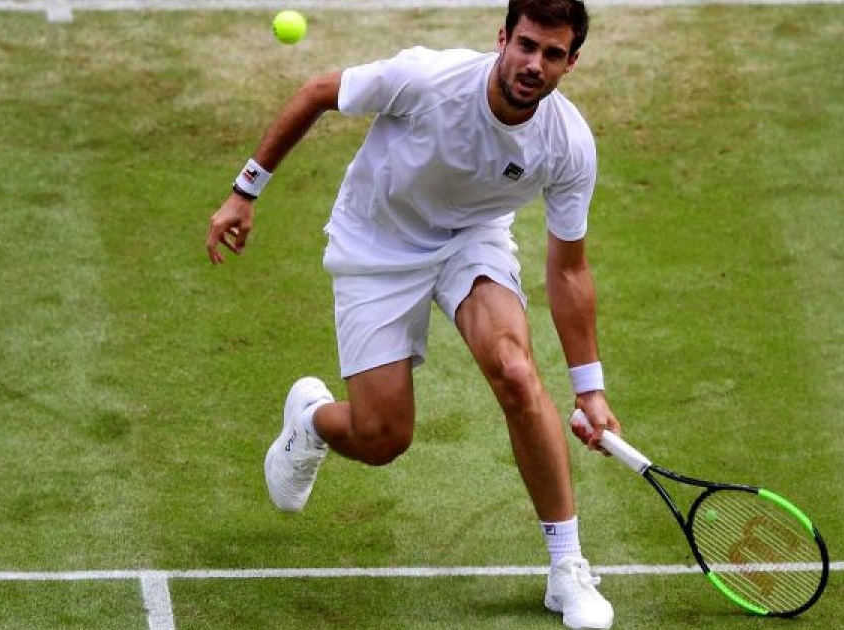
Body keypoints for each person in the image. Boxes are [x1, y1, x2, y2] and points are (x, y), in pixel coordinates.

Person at [205, 0, 620, 627]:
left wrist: (589, 390)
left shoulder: (568, 143)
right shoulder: (428, 79)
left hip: (470, 237)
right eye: (527, 45)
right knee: (382, 438)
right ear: (503, 38)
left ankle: (567, 569)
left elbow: (568, 271)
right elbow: (317, 92)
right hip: (376, 241)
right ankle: (312, 421)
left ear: (572, 62)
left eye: (552, 54)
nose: (535, 64)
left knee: (515, 371)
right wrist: (244, 192)